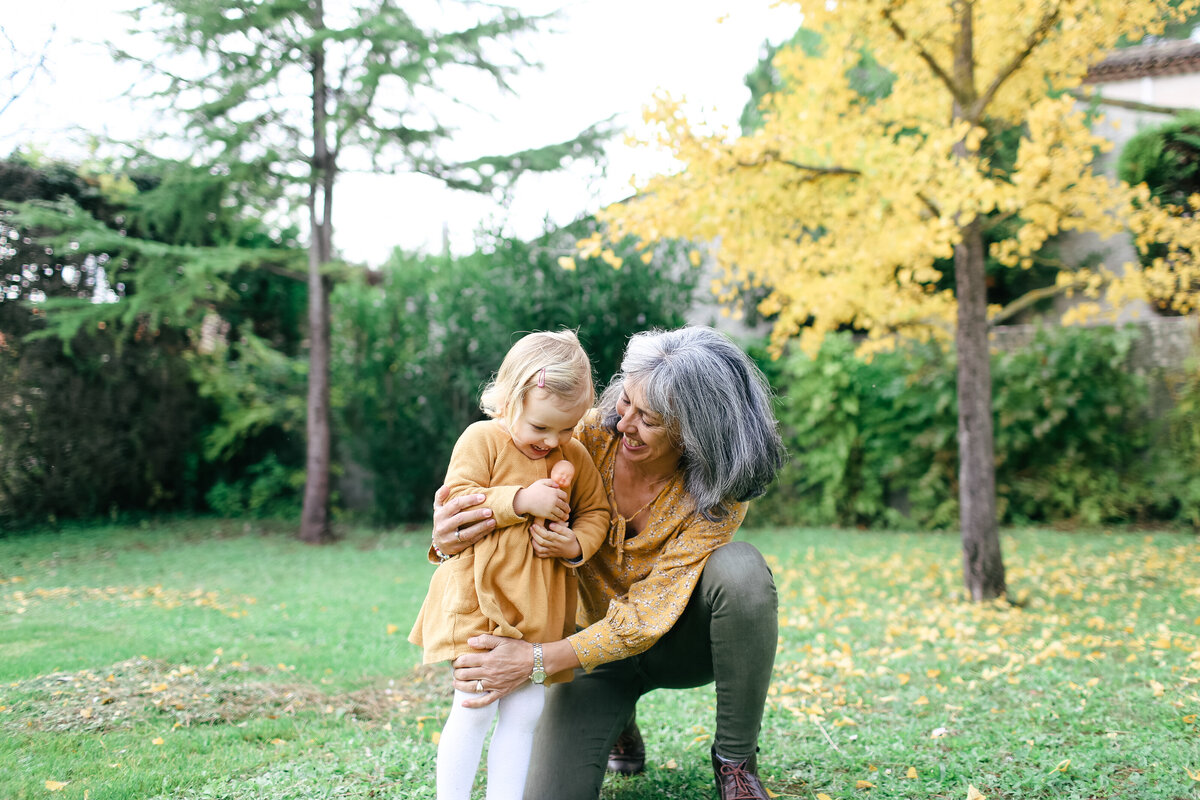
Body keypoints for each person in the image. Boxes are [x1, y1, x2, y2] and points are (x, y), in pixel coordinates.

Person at [430, 326, 787, 800]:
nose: (624, 424)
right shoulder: (579, 435)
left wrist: (535, 660)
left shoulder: (717, 492)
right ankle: (617, 718)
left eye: (650, 419)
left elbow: (646, 613)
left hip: (677, 643)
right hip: (587, 649)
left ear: (698, 431)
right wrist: (451, 528)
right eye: (627, 404)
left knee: (740, 571)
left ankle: (735, 764)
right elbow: (495, 471)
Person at [408, 330, 611, 800]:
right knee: (475, 703)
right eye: (541, 427)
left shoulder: (574, 456)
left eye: (566, 428)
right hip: (483, 598)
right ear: (510, 397)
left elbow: (597, 512)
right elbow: (458, 500)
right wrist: (519, 499)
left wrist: (575, 545)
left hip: (538, 606)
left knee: (524, 713)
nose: (552, 441)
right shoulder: (483, 439)